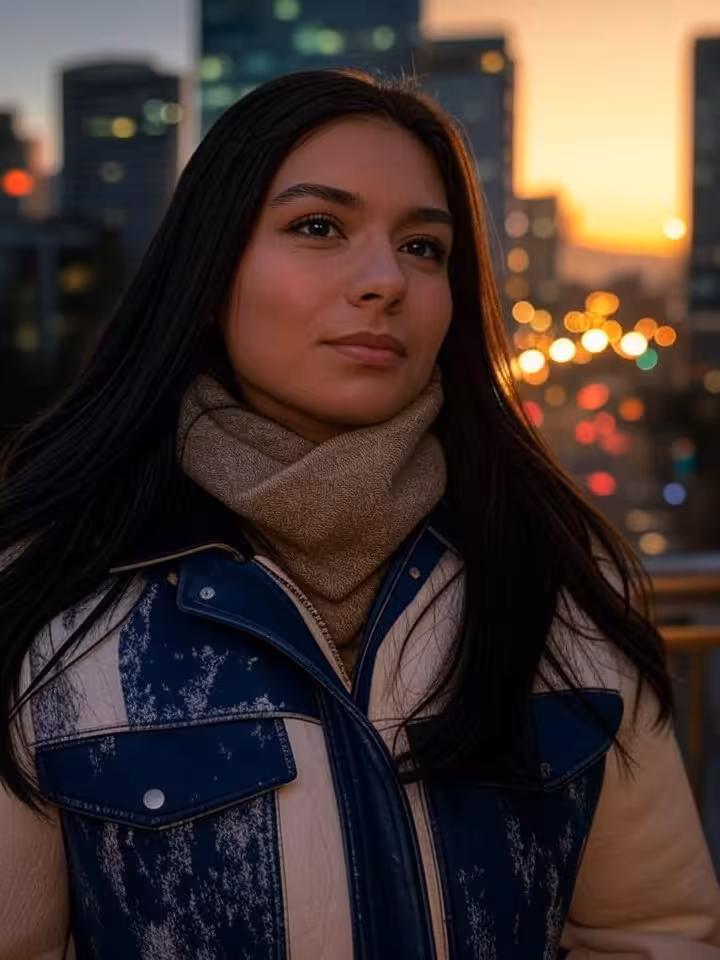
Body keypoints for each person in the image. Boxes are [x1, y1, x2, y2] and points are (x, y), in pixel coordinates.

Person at [0, 68, 717, 960]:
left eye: (423, 247)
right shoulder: (50, 599)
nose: (386, 280)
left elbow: (652, 932)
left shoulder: (561, 582)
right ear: (210, 271)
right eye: (317, 227)